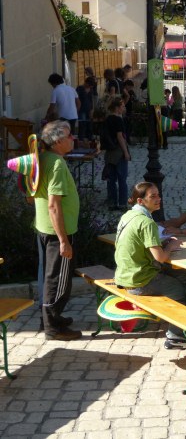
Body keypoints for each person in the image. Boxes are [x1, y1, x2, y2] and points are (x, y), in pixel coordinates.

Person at [114, 182, 186, 349]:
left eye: (158, 195)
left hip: (124, 274)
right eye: (153, 196)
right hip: (139, 279)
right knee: (180, 290)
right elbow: (161, 258)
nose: (159, 199)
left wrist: (162, 243)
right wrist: (171, 246)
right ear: (141, 201)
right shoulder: (146, 222)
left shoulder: (128, 215)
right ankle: (177, 337)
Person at [35, 121, 82, 340]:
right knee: (58, 280)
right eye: (69, 136)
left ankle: (50, 319)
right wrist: (64, 240)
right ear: (58, 141)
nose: (73, 139)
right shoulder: (56, 164)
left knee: (50, 276)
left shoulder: (43, 159)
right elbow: (54, 205)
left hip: (44, 228)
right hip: (57, 232)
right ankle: (53, 327)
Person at [104, 96, 130, 210]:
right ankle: (122, 203)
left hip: (109, 152)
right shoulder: (118, 120)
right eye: (122, 106)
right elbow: (120, 137)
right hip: (119, 152)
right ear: (117, 108)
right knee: (122, 179)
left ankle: (112, 202)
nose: (124, 108)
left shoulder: (108, 119)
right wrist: (126, 152)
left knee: (111, 180)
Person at [75, 76, 94, 141]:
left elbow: (91, 100)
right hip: (82, 109)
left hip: (89, 109)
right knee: (82, 124)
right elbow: (76, 99)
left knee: (89, 124)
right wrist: (77, 109)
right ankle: (81, 138)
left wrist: (91, 109)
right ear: (86, 82)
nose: (90, 86)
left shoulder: (91, 89)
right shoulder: (79, 88)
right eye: (89, 85)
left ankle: (89, 137)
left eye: (91, 86)